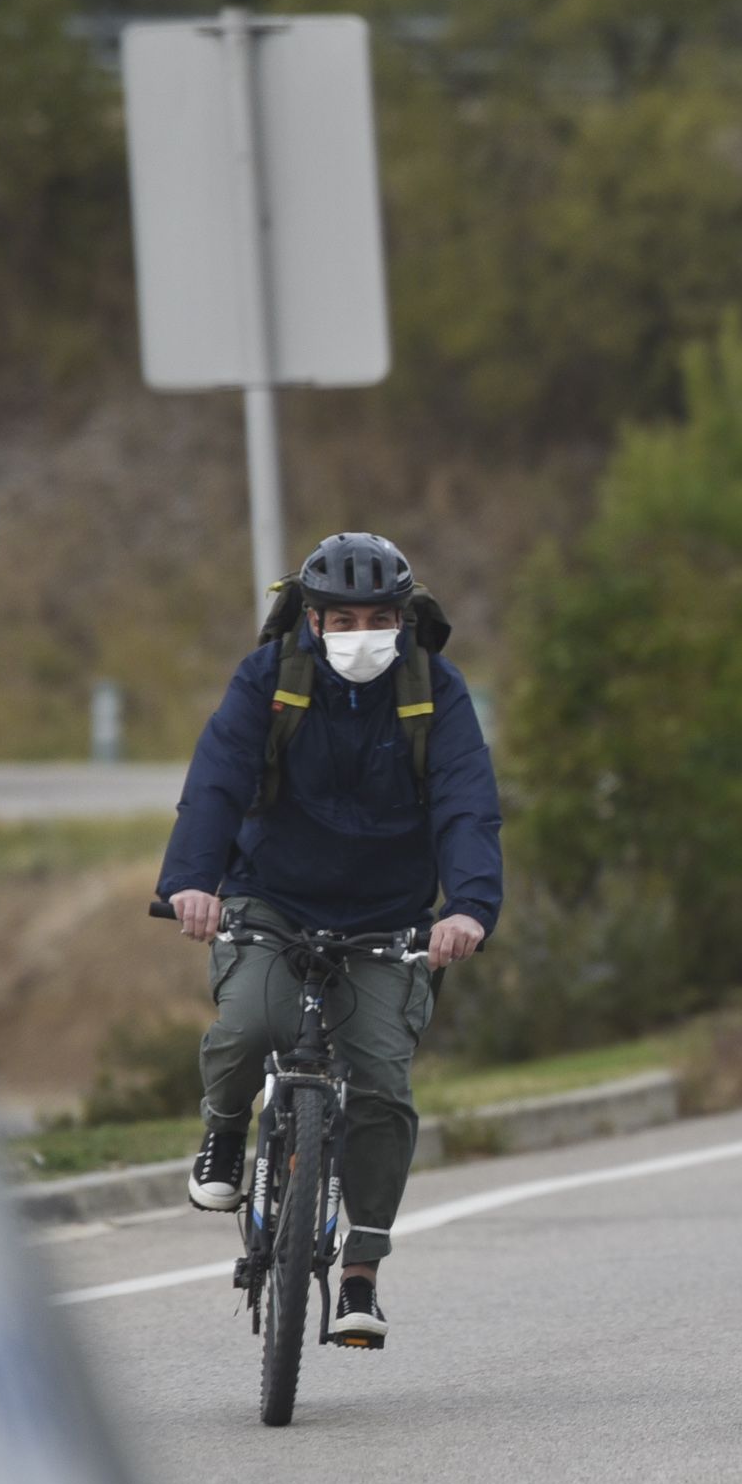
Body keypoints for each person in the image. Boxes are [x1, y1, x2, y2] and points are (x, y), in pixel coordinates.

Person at [160, 532, 501, 1349]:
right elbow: (217, 780)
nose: (359, 633)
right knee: (250, 1022)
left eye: (376, 617)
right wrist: (192, 882)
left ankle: (361, 1271)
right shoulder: (269, 680)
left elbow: (466, 800)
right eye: (340, 618)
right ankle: (224, 1129)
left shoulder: (434, 690)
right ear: (310, 620)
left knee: (382, 1085)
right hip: (272, 895)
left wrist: (471, 908)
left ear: (403, 618)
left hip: (389, 912)